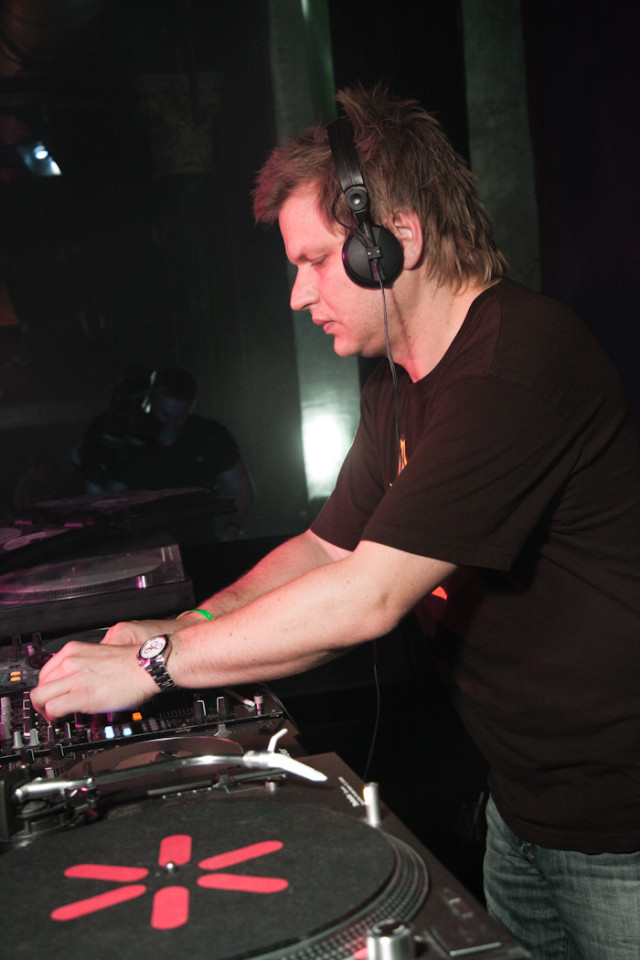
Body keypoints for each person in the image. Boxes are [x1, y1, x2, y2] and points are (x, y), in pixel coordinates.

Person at [32, 85, 640, 959]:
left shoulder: (514, 365)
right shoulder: (400, 384)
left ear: (394, 242)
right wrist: (184, 624)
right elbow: (324, 548)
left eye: (315, 260)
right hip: (525, 807)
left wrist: (152, 666)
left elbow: (366, 595)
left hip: (620, 828)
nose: (296, 294)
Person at [74, 365, 254, 540]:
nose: (173, 424)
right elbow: (112, 499)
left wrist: (233, 527)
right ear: (150, 402)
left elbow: (242, 487)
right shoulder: (133, 440)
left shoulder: (210, 435)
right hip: (146, 545)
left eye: (181, 416)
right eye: (165, 415)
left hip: (200, 543)